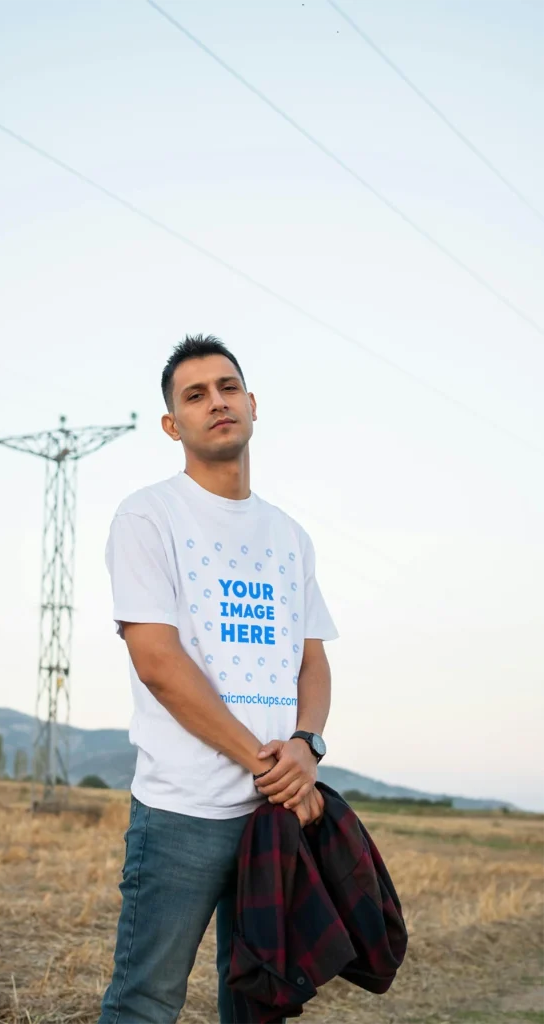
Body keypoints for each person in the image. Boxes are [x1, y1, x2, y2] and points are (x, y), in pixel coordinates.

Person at [98, 334, 338, 1024]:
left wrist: (306, 746)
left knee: (259, 1003)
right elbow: (159, 663)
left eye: (227, 387)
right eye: (195, 395)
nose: (217, 402)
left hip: (273, 815)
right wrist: (269, 765)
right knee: (145, 1002)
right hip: (183, 812)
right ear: (173, 425)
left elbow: (311, 659)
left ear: (252, 404)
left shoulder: (289, 535)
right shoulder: (147, 516)